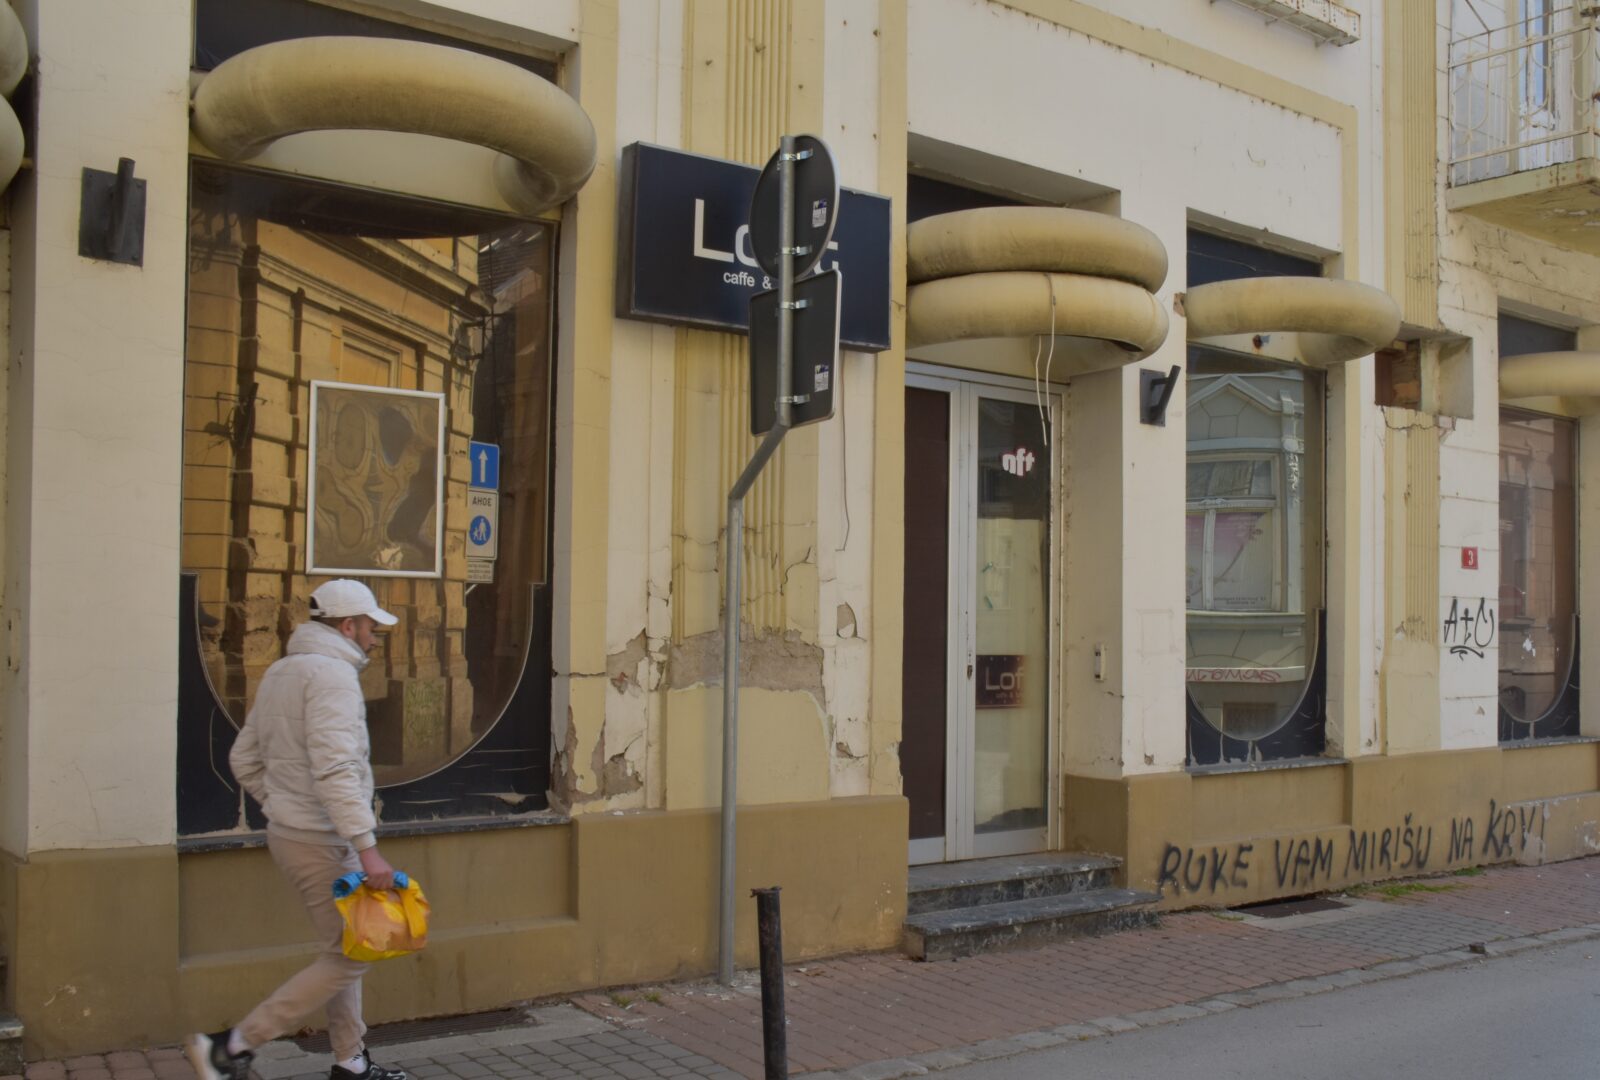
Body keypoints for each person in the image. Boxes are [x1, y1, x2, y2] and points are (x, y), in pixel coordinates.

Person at [186, 579, 408, 1080]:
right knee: (351, 956)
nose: (375, 638)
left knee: (345, 948)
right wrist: (368, 849)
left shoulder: (283, 671)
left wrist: (281, 806)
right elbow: (336, 770)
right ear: (348, 626)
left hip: (296, 835)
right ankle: (231, 1047)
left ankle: (350, 1061)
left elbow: (243, 758)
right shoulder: (333, 677)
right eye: (371, 627)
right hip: (323, 841)